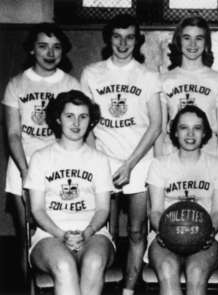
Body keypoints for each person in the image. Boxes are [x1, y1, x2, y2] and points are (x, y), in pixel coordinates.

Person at [80, 14, 162, 295]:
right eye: (117, 36)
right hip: (103, 159)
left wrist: (130, 164)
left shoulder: (149, 76)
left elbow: (156, 124)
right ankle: (99, 285)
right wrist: (95, 160)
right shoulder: (91, 73)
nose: (123, 43)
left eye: (130, 37)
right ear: (108, 39)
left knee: (138, 231)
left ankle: (128, 290)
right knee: (106, 232)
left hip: (139, 161)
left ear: (138, 40)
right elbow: (86, 121)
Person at [2, 22, 80, 280]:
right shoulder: (16, 84)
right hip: (23, 166)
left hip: (60, 169)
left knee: (62, 237)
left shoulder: (71, 83)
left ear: (63, 51)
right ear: (31, 50)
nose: (50, 53)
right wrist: (26, 173)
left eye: (56, 47)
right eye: (43, 46)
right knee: (28, 239)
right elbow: (13, 134)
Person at [24, 90, 115, 295]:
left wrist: (88, 232)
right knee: (64, 266)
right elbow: (37, 209)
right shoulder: (40, 158)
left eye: (83, 116)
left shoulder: (99, 160)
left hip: (93, 233)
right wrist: (61, 235)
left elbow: (102, 209)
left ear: (90, 121)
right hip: (49, 235)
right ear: (58, 118)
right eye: (69, 116)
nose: (76, 123)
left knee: (95, 261)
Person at [147, 105, 218, 295]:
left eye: (197, 128)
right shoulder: (159, 165)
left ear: (205, 133)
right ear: (175, 132)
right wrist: (163, 231)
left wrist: (209, 232)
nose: (190, 134)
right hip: (165, 233)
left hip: (208, 235)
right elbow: (156, 211)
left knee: (196, 271)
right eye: (184, 127)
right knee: (168, 270)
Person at [156, 16, 218, 161]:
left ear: (206, 43)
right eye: (187, 38)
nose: (193, 44)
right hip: (174, 156)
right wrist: (158, 164)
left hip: (209, 155)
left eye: (199, 38)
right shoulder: (164, 80)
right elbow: (160, 129)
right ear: (179, 41)